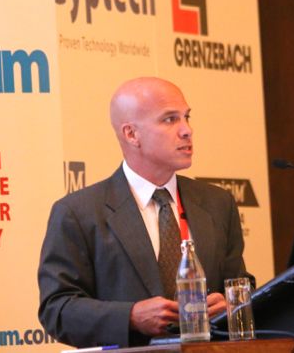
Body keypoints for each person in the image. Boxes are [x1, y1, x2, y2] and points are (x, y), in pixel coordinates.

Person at [37, 77, 248, 348]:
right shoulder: (78, 213)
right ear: (131, 134)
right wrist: (130, 317)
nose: (187, 130)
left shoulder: (217, 203)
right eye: (170, 120)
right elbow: (57, 309)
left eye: (186, 117)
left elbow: (240, 285)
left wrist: (231, 303)